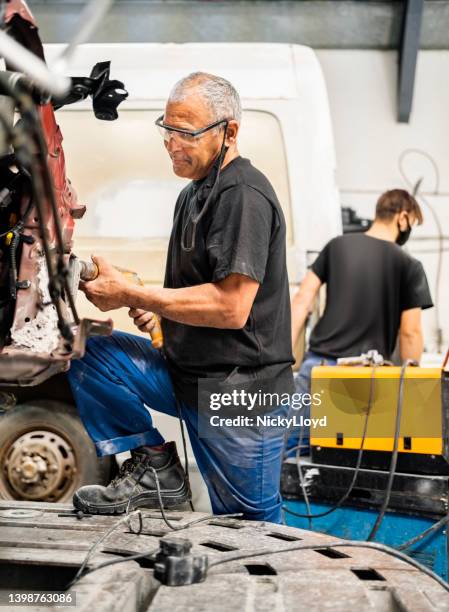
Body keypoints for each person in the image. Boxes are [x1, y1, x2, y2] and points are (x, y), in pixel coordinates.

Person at [68, 72, 294, 523]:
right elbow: (193, 290)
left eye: (186, 133)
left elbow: (232, 308)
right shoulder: (192, 195)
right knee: (89, 352)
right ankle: (156, 468)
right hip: (186, 376)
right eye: (167, 130)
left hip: (238, 397)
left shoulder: (242, 195)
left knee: (251, 533)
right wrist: (162, 316)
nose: (172, 144)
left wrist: (136, 294)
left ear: (229, 132)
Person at [288, 189, 433, 452]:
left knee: (291, 461)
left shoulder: (337, 246)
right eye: (411, 223)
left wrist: (283, 357)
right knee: (351, 470)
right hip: (366, 383)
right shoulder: (410, 265)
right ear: (402, 217)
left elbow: (302, 299)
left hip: (318, 370)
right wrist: (411, 390)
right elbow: (410, 332)